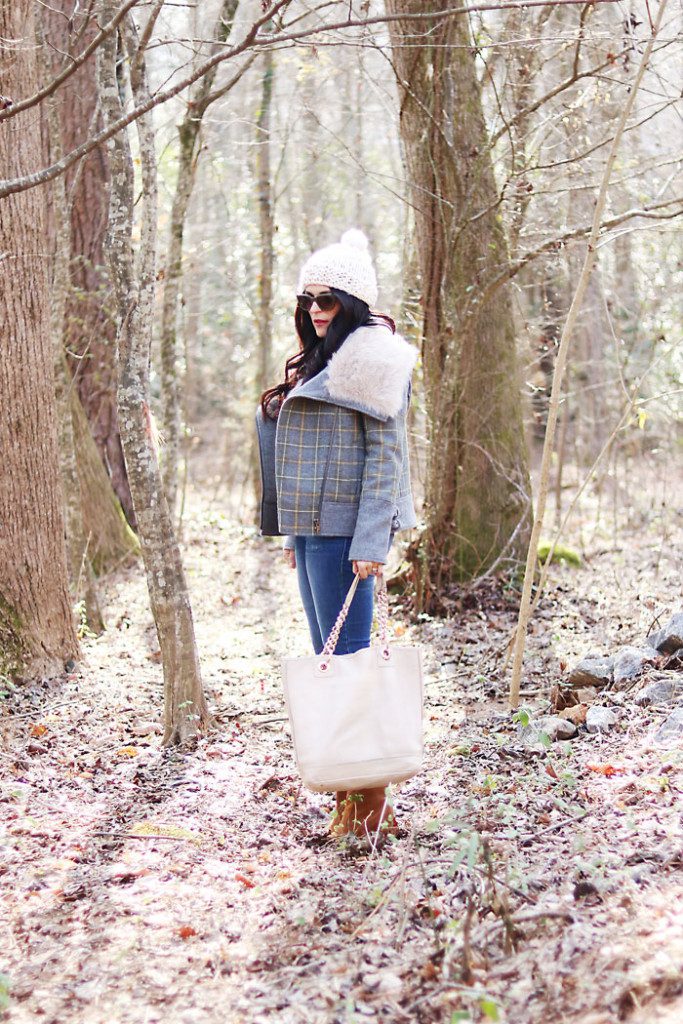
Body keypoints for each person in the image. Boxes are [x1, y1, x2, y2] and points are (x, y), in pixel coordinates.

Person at [256, 229, 417, 839]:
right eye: (308, 301)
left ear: (352, 301)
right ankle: (357, 805)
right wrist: (296, 537)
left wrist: (372, 544)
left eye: (326, 300)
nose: (315, 311)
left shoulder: (377, 359)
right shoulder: (326, 357)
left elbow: (386, 459)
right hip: (315, 536)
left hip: (349, 539)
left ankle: (367, 811)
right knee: (333, 664)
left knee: (350, 667)